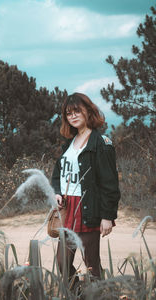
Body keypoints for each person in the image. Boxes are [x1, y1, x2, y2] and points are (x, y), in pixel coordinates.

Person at [51, 92, 120, 282]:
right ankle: (77, 294)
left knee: (91, 265)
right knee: (62, 263)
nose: (72, 116)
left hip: (87, 208)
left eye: (77, 111)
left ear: (88, 112)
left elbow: (110, 183)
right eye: (68, 113)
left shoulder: (101, 143)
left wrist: (107, 216)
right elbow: (58, 173)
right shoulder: (68, 145)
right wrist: (57, 192)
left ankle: (96, 294)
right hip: (68, 209)